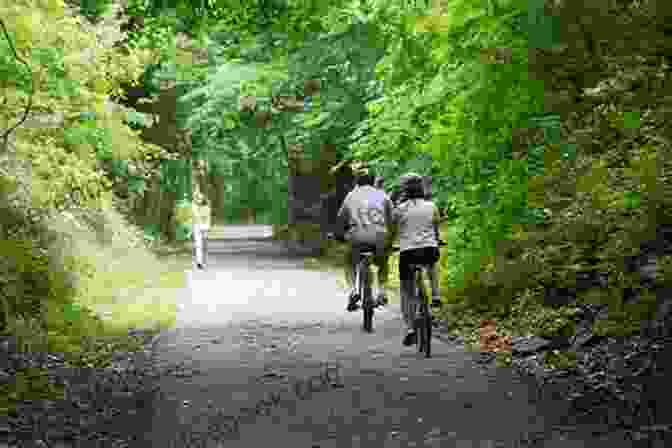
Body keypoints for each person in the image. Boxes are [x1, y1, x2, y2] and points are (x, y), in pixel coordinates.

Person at [389, 173, 442, 346]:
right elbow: (435, 229)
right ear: (422, 189)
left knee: (406, 291)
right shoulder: (432, 206)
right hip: (429, 249)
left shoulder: (399, 209)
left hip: (408, 253)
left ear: (404, 190)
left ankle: (410, 328)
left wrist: (391, 245)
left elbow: (392, 231)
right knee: (433, 264)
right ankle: (435, 295)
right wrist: (437, 240)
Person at [336, 166, 394, 311]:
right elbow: (392, 220)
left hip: (357, 238)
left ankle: (353, 291)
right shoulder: (383, 195)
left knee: (349, 261)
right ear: (373, 180)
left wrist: (339, 234)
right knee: (383, 262)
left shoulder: (351, 195)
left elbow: (341, 218)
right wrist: (391, 240)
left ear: (357, 181)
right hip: (379, 238)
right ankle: (382, 291)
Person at [192, 195, 211, 270]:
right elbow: (194, 218)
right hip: (197, 228)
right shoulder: (194, 207)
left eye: (200, 199)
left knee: (203, 246)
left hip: (204, 228)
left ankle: (203, 261)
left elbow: (208, 218)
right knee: (198, 246)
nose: (198, 200)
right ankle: (199, 262)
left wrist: (207, 227)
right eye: (197, 199)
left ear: (203, 199)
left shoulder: (206, 208)